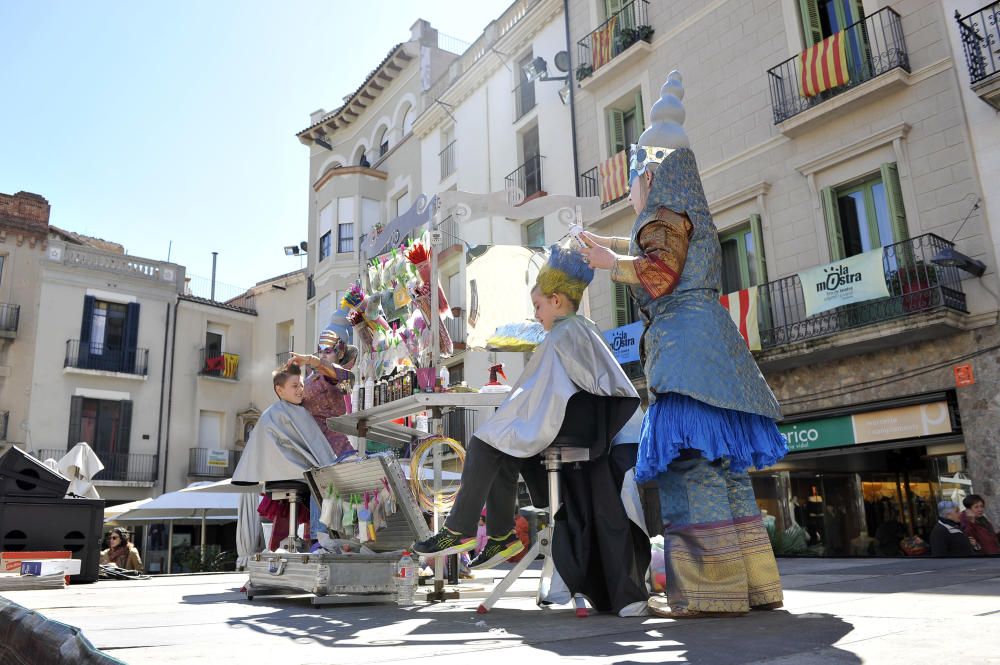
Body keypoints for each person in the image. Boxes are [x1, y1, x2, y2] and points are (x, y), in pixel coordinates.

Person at [580, 71, 787, 618]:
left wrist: (609, 263)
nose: (630, 191)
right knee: (725, 470)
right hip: (718, 353)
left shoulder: (661, 214)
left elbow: (657, 270)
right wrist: (603, 244)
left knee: (689, 469)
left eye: (633, 180)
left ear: (649, 173)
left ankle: (708, 591)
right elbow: (652, 247)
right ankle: (756, 584)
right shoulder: (686, 210)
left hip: (684, 357)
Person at [413, 243, 650, 615]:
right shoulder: (581, 329)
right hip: (593, 426)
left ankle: (463, 530)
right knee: (503, 448)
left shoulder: (561, 335)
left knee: (484, 441)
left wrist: (512, 416)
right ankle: (502, 536)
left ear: (556, 301)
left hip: (577, 426)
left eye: (538, 307)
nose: (536, 315)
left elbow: (536, 396)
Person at [233, 363, 339, 550]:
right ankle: (318, 538)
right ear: (279, 390)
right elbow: (306, 450)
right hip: (290, 471)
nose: (300, 390)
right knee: (322, 479)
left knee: (321, 475)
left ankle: (320, 537)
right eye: (294, 386)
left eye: (301, 385)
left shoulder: (284, 412)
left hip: (286, 471)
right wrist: (328, 464)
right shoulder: (281, 414)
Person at [290, 327, 358, 459]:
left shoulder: (344, 377)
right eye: (320, 352)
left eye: (328, 351)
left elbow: (339, 379)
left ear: (340, 353)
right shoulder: (311, 378)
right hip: (308, 446)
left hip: (333, 449)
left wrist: (311, 360)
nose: (323, 355)